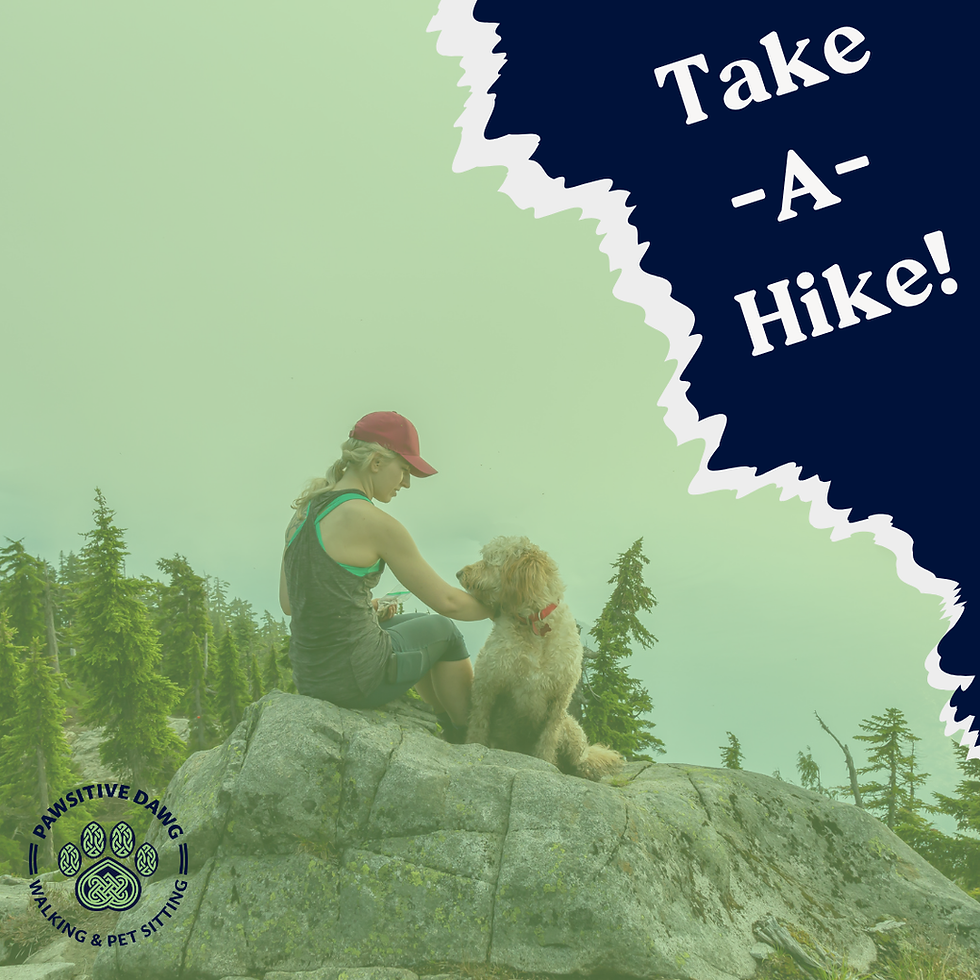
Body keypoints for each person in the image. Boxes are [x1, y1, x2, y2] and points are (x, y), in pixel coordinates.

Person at [279, 411, 490, 742]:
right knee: (444, 631)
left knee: (415, 621)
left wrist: (363, 606)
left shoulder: (303, 513)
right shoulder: (375, 523)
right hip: (356, 680)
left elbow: (290, 603)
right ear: (376, 462)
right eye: (404, 470)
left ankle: (444, 721)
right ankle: (468, 735)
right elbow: (449, 603)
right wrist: (506, 608)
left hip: (310, 676)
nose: (405, 482)